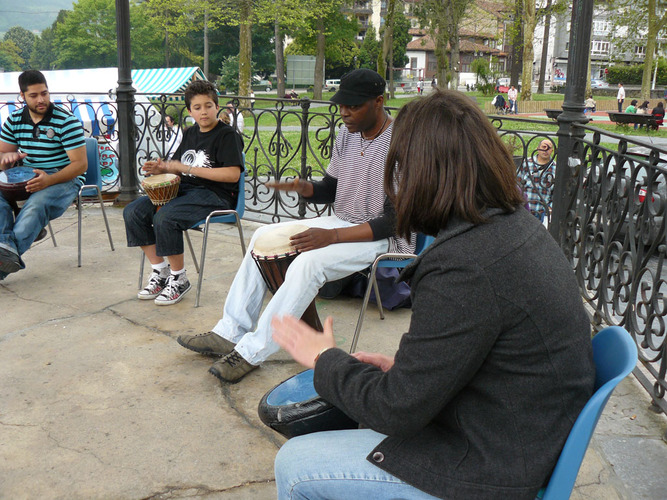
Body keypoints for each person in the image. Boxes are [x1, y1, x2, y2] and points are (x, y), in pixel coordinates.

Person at [271, 88, 595, 500]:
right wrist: (406, 369)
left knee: (296, 463)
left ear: (421, 173)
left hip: (492, 463)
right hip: (518, 429)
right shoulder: (515, 226)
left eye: (400, 167)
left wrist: (323, 359)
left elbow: (396, 411)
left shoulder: (464, 266)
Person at [176, 69, 415, 383]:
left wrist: (330, 237)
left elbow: (393, 221)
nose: (344, 113)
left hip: (384, 237)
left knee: (307, 264)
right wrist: (308, 189)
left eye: (353, 106)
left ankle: (252, 352)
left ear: (379, 102)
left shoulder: (400, 143)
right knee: (261, 235)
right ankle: (230, 331)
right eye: (342, 105)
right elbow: (331, 188)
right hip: (343, 220)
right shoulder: (347, 134)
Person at [123, 80, 244, 305]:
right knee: (133, 212)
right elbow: (176, 167)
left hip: (217, 196)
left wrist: (186, 168)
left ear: (217, 106)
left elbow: (232, 175)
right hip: (186, 190)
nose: (204, 112)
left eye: (208, 105)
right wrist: (161, 169)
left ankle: (179, 279)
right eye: (197, 108)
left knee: (166, 216)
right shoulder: (190, 134)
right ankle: (161, 272)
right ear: (190, 111)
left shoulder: (227, 136)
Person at [0, 70, 87, 280]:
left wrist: (49, 180)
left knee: (36, 205)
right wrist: (8, 156)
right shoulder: (14, 121)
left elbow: (80, 165)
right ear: (22, 96)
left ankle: (2, 267)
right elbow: (2, 153)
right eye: (34, 95)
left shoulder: (66, 121)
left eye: (45, 93)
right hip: (28, 177)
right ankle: (11, 239)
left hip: (64, 177)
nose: (41, 100)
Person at [520, 139, 556, 222]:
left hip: (541, 211)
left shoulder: (555, 168)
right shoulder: (527, 163)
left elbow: (556, 192)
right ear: (538, 148)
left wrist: (550, 208)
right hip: (524, 208)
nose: (545, 150)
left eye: (549, 148)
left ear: (552, 151)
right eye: (543, 147)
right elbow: (517, 182)